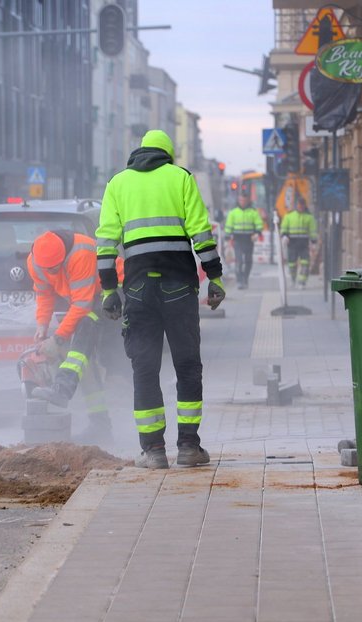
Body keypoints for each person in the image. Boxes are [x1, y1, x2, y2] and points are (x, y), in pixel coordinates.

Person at [96, 129, 225, 469]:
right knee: (186, 365)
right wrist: (215, 277)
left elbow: (106, 242)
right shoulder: (181, 178)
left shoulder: (117, 184)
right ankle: (188, 448)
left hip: (137, 289)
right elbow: (201, 231)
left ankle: (153, 452)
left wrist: (109, 290)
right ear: (168, 154)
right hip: (179, 287)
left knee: (145, 367)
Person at [27, 230, 113, 441]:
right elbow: (44, 293)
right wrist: (42, 326)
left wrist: (57, 339)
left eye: (56, 268)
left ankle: (62, 390)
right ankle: (101, 426)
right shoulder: (35, 262)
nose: (52, 273)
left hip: (113, 293)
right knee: (85, 360)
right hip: (88, 300)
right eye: (48, 269)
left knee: (84, 328)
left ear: (63, 256)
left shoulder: (80, 253)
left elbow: (83, 305)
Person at [224, 193, 263, 289]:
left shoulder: (253, 212)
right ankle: (239, 281)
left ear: (247, 201)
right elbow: (228, 226)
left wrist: (257, 232)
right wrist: (227, 236)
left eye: (244, 200)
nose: (242, 202)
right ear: (238, 200)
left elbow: (259, 224)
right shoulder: (233, 212)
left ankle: (245, 278)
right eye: (241, 200)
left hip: (249, 239)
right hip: (238, 239)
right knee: (239, 261)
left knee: (248, 261)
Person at [281, 198, 318, 287]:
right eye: (299, 205)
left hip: (303, 243)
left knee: (305, 263)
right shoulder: (289, 216)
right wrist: (284, 235)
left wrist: (313, 242)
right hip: (292, 243)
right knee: (292, 263)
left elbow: (313, 230)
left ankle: (302, 281)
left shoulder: (309, 217)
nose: (300, 207)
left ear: (305, 206)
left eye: (302, 205)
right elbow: (284, 227)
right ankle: (293, 279)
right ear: (296, 206)